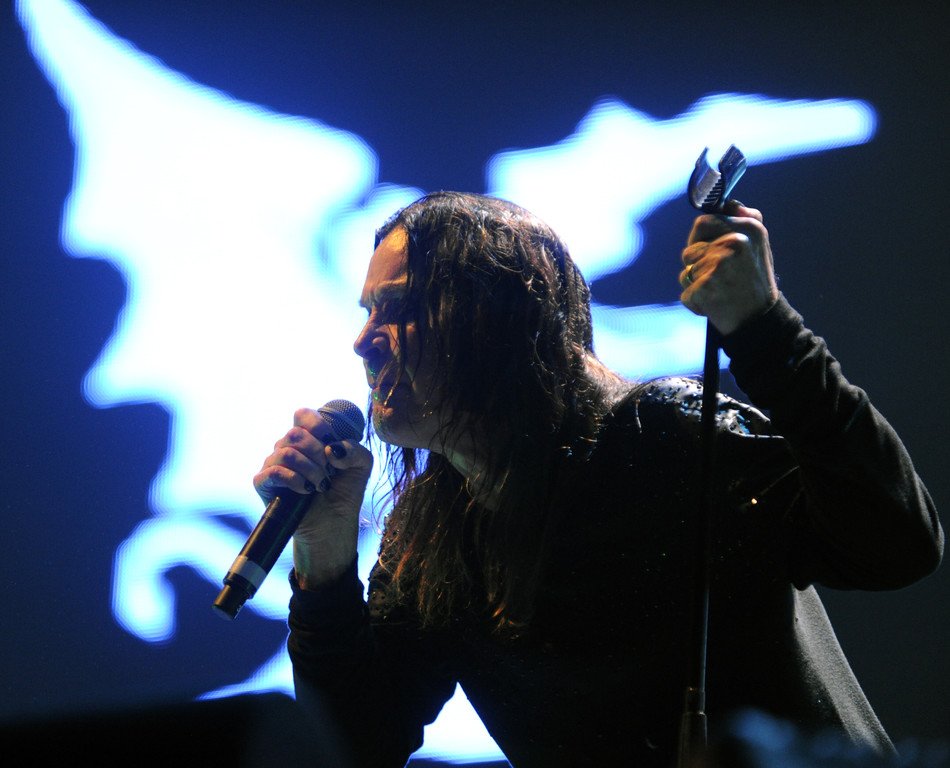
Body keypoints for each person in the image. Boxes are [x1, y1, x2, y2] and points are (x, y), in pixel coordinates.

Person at [254, 191, 942, 767]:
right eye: (367, 311)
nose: (365, 340)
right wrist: (324, 558)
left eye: (400, 308)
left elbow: (896, 545)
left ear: (495, 319)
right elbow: (358, 743)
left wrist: (766, 330)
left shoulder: (666, 437)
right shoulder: (437, 528)